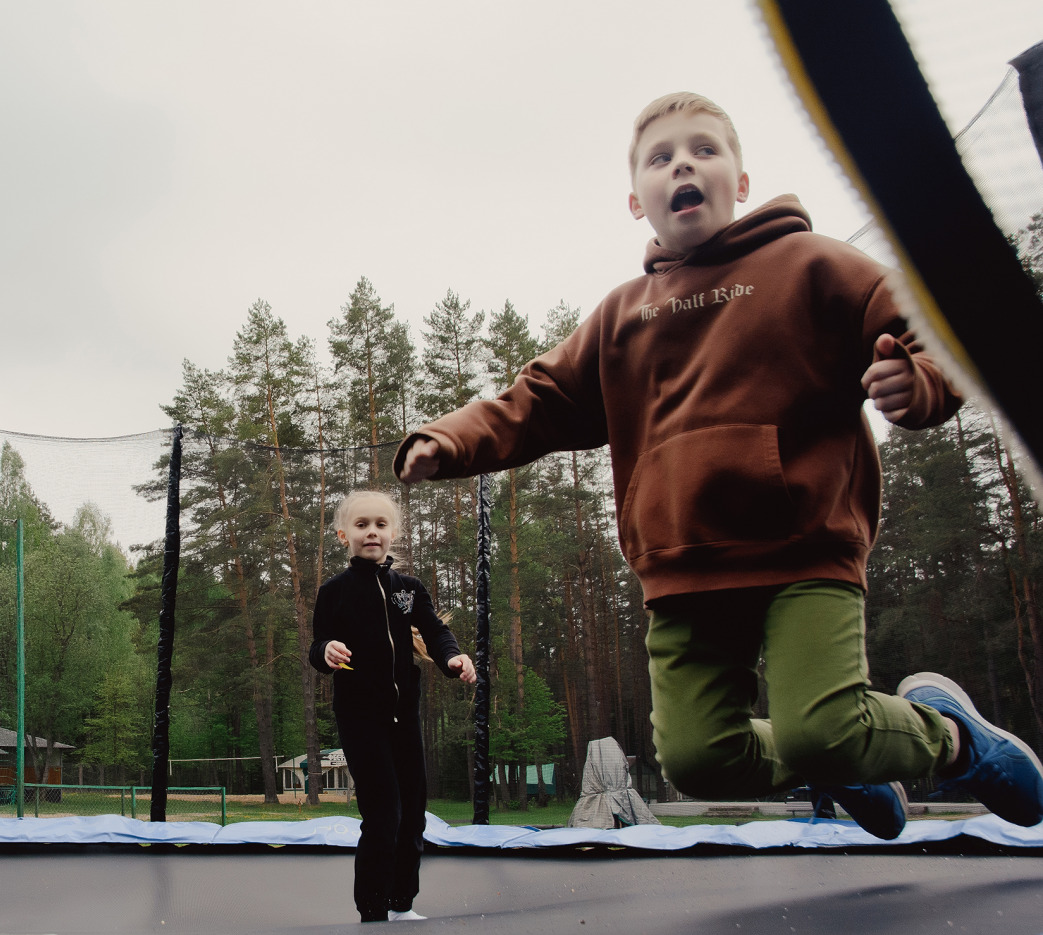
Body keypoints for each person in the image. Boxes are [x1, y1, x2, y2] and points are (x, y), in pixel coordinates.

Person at [396, 92, 1043, 840]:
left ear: (739, 182)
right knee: (699, 760)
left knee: (822, 724)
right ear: (636, 201)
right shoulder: (621, 317)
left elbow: (924, 327)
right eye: (661, 158)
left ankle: (951, 736)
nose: (682, 166)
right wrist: (446, 439)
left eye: (703, 150)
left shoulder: (812, 266)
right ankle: (833, 766)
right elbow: (535, 400)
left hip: (803, 549)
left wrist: (921, 382)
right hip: (682, 568)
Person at [309, 489, 477, 922]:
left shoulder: (409, 589)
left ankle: (403, 903)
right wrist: (327, 649)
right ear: (344, 535)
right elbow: (317, 645)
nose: (372, 533)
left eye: (380, 525)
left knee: (413, 813)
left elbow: (435, 631)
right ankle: (372, 908)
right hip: (361, 719)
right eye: (362, 525)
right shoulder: (335, 592)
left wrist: (452, 657)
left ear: (394, 533)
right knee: (384, 813)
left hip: (404, 719)